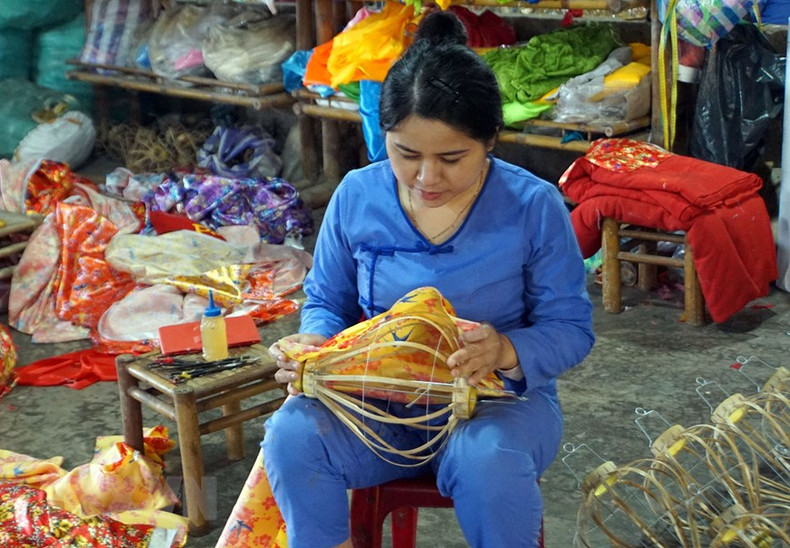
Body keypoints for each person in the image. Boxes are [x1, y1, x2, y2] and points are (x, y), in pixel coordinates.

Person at [263, 10, 594, 548]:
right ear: (384, 136)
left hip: (498, 406)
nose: (426, 177)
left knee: (488, 462)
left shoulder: (533, 206)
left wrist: (506, 350)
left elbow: (571, 328)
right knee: (293, 435)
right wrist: (320, 344)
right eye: (406, 154)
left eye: (452, 158)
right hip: (376, 401)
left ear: (490, 140)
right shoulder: (357, 195)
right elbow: (326, 299)